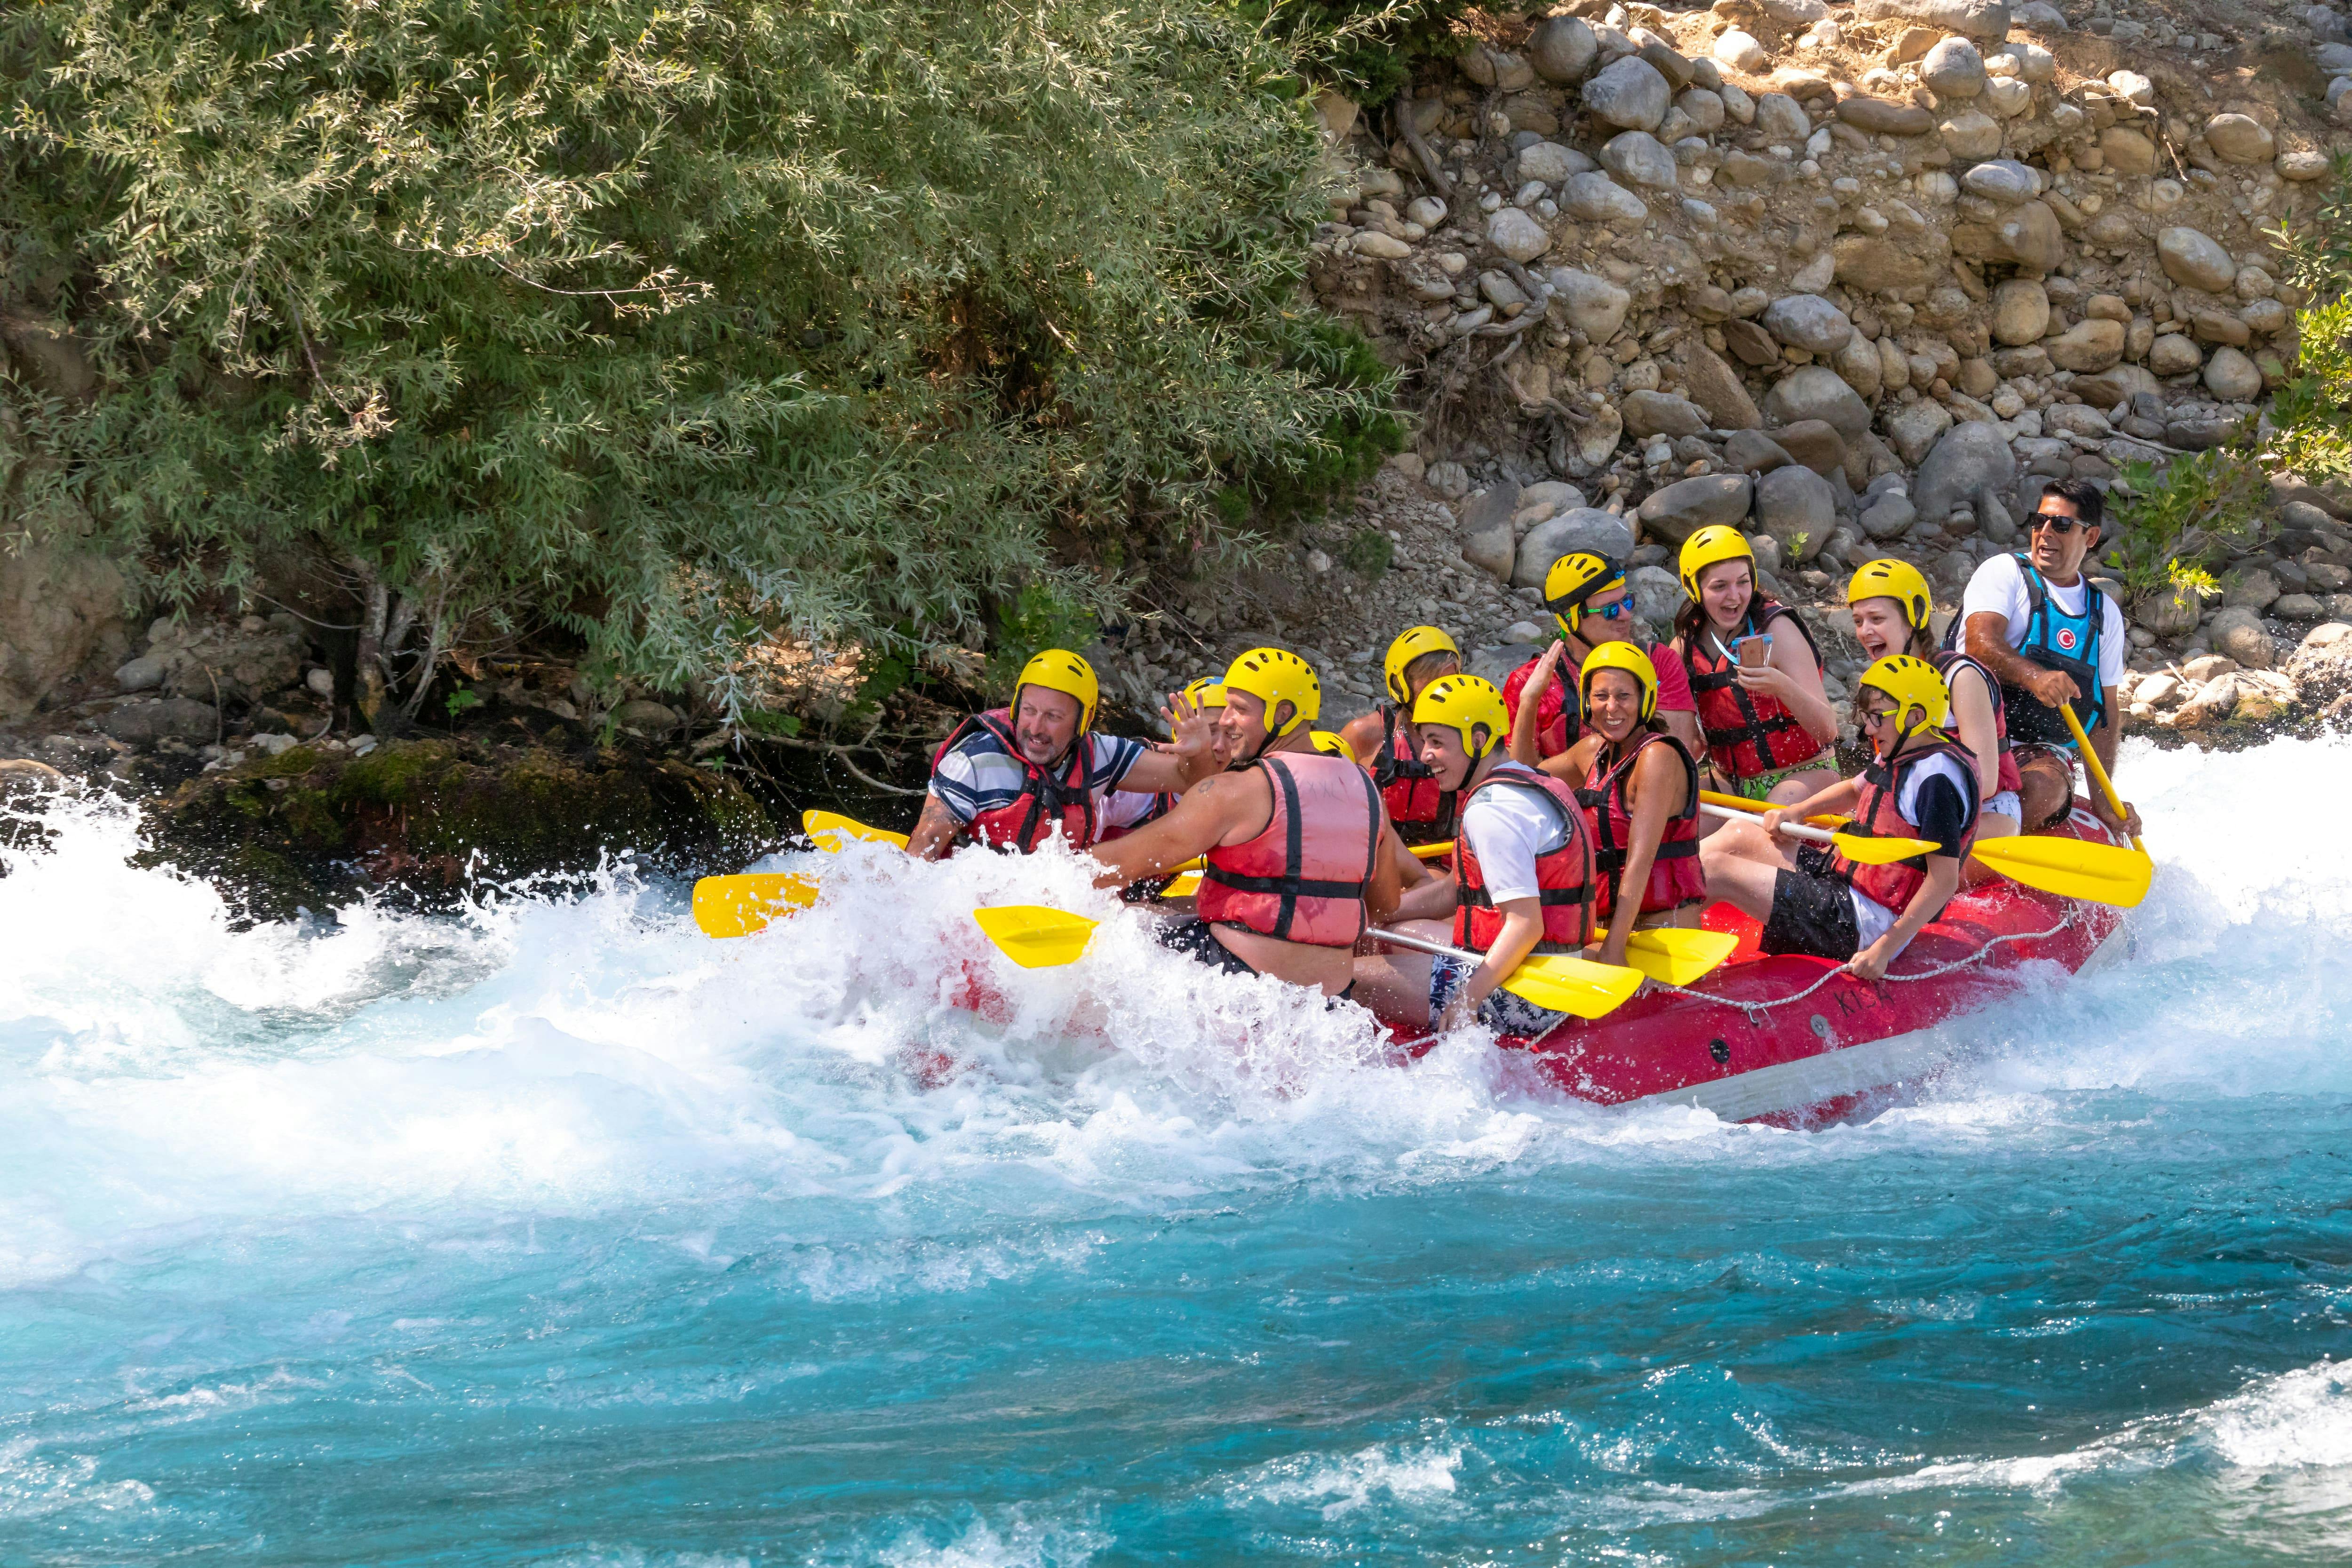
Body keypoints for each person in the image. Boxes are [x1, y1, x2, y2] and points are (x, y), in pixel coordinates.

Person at [1089, 647, 1406, 995]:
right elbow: (1385, 903)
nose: (1225, 720)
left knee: (1116, 930)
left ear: (1283, 714)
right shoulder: (1368, 791)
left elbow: (1120, 863)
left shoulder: (1237, 790)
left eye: (1239, 709)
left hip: (1235, 985)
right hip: (1330, 999)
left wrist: (1046, 880)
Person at [1699, 656, 1979, 982]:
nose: (1868, 729)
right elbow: (1853, 789)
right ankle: (1659, 914)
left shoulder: (1937, 780)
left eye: (1877, 718)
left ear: (1915, 717)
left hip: (1863, 923)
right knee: (1738, 831)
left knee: (1716, 869)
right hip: (1845, 883)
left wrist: (1884, 950)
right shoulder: (1904, 749)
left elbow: (1944, 880)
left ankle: (1681, 962)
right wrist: (1798, 811)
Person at [1349, 675, 1598, 1035]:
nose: (1425, 755)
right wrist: (1370, 917)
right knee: (1388, 929)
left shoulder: (1492, 809)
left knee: (1349, 976)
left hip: (1527, 994)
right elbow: (1456, 889)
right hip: (1542, 969)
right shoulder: (1525, 779)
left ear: (1478, 740)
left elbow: (1527, 924)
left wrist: (1469, 997)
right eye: (1425, 740)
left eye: (1438, 742)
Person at [1955, 478, 2143, 838]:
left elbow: (2105, 714)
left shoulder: (2105, 614)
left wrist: (2104, 801)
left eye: (2060, 525)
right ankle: (1950, 847)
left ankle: (1983, 842)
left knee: (2046, 789)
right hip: (1968, 731)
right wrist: (2035, 677)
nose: (2045, 534)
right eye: (2038, 522)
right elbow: (1978, 644)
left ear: (2090, 537)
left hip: (2040, 751)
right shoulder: (2005, 572)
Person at [909, 650, 1215, 860]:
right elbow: (922, 851)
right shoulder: (974, 761)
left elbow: (1189, 778)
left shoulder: (1103, 756)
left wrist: (1199, 754)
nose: (1035, 728)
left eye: (1054, 716)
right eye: (1028, 711)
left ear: (1085, 718)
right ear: (1016, 707)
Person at [1533, 642, 1706, 967]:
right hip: (1611, 928)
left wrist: (1614, 950)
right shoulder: (1592, 751)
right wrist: (1530, 701)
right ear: (1587, 701)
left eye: (1624, 696)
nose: (1611, 708)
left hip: (1663, 933)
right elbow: (1521, 780)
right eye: (1601, 696)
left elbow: (1640, 861)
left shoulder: (1658, 757)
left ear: (1644, 700)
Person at [1846, 557, 2021, 851]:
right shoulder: (1874, 683)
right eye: (1858, 621)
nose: (1865, 631)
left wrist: (1907, 821)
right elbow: (1878, 773)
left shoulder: (1960, 677)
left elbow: (1987, 781)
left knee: (1904, 869)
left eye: (1877, 619)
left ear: (1915, 616)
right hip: (1911, 807)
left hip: (1986, 812)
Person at [1671, 526, 1842, 804]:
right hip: (1732, 784)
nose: (1735, 596)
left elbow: (1828, 731)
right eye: (1719, 586)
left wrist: (1782, 687)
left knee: (1763, 825)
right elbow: (1687, 745)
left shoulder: (1779, 629)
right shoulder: (1683, 647)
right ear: (1694, 589)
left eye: (1743, 582)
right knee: (1674, 821)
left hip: (1805, 774)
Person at [1502, 552, 1702, 762]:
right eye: (1610, 611)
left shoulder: (1660, 662)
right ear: (1570, 619)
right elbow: (1521, 777)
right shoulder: (1527, 683)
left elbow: (1676, 759)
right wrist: (1528, 702)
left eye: (1627, 602)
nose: (1626, 616)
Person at [1339, 626, 1463, 846]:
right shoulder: (1365, 734)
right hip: (1378, 858)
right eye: (1431, 684)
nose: (1442, 693)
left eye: (1449, 682)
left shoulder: (1471, 735)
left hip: (1439, 862)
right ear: (1400, 686)